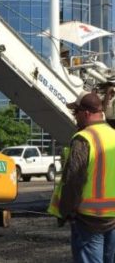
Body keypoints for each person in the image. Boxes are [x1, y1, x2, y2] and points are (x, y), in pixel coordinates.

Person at [48, 90, 115, 263]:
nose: (74, 116)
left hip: (89, 220)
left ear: (85, 113)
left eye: (75, 112)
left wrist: (64, 212)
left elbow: (73, 181)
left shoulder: (83, 139)